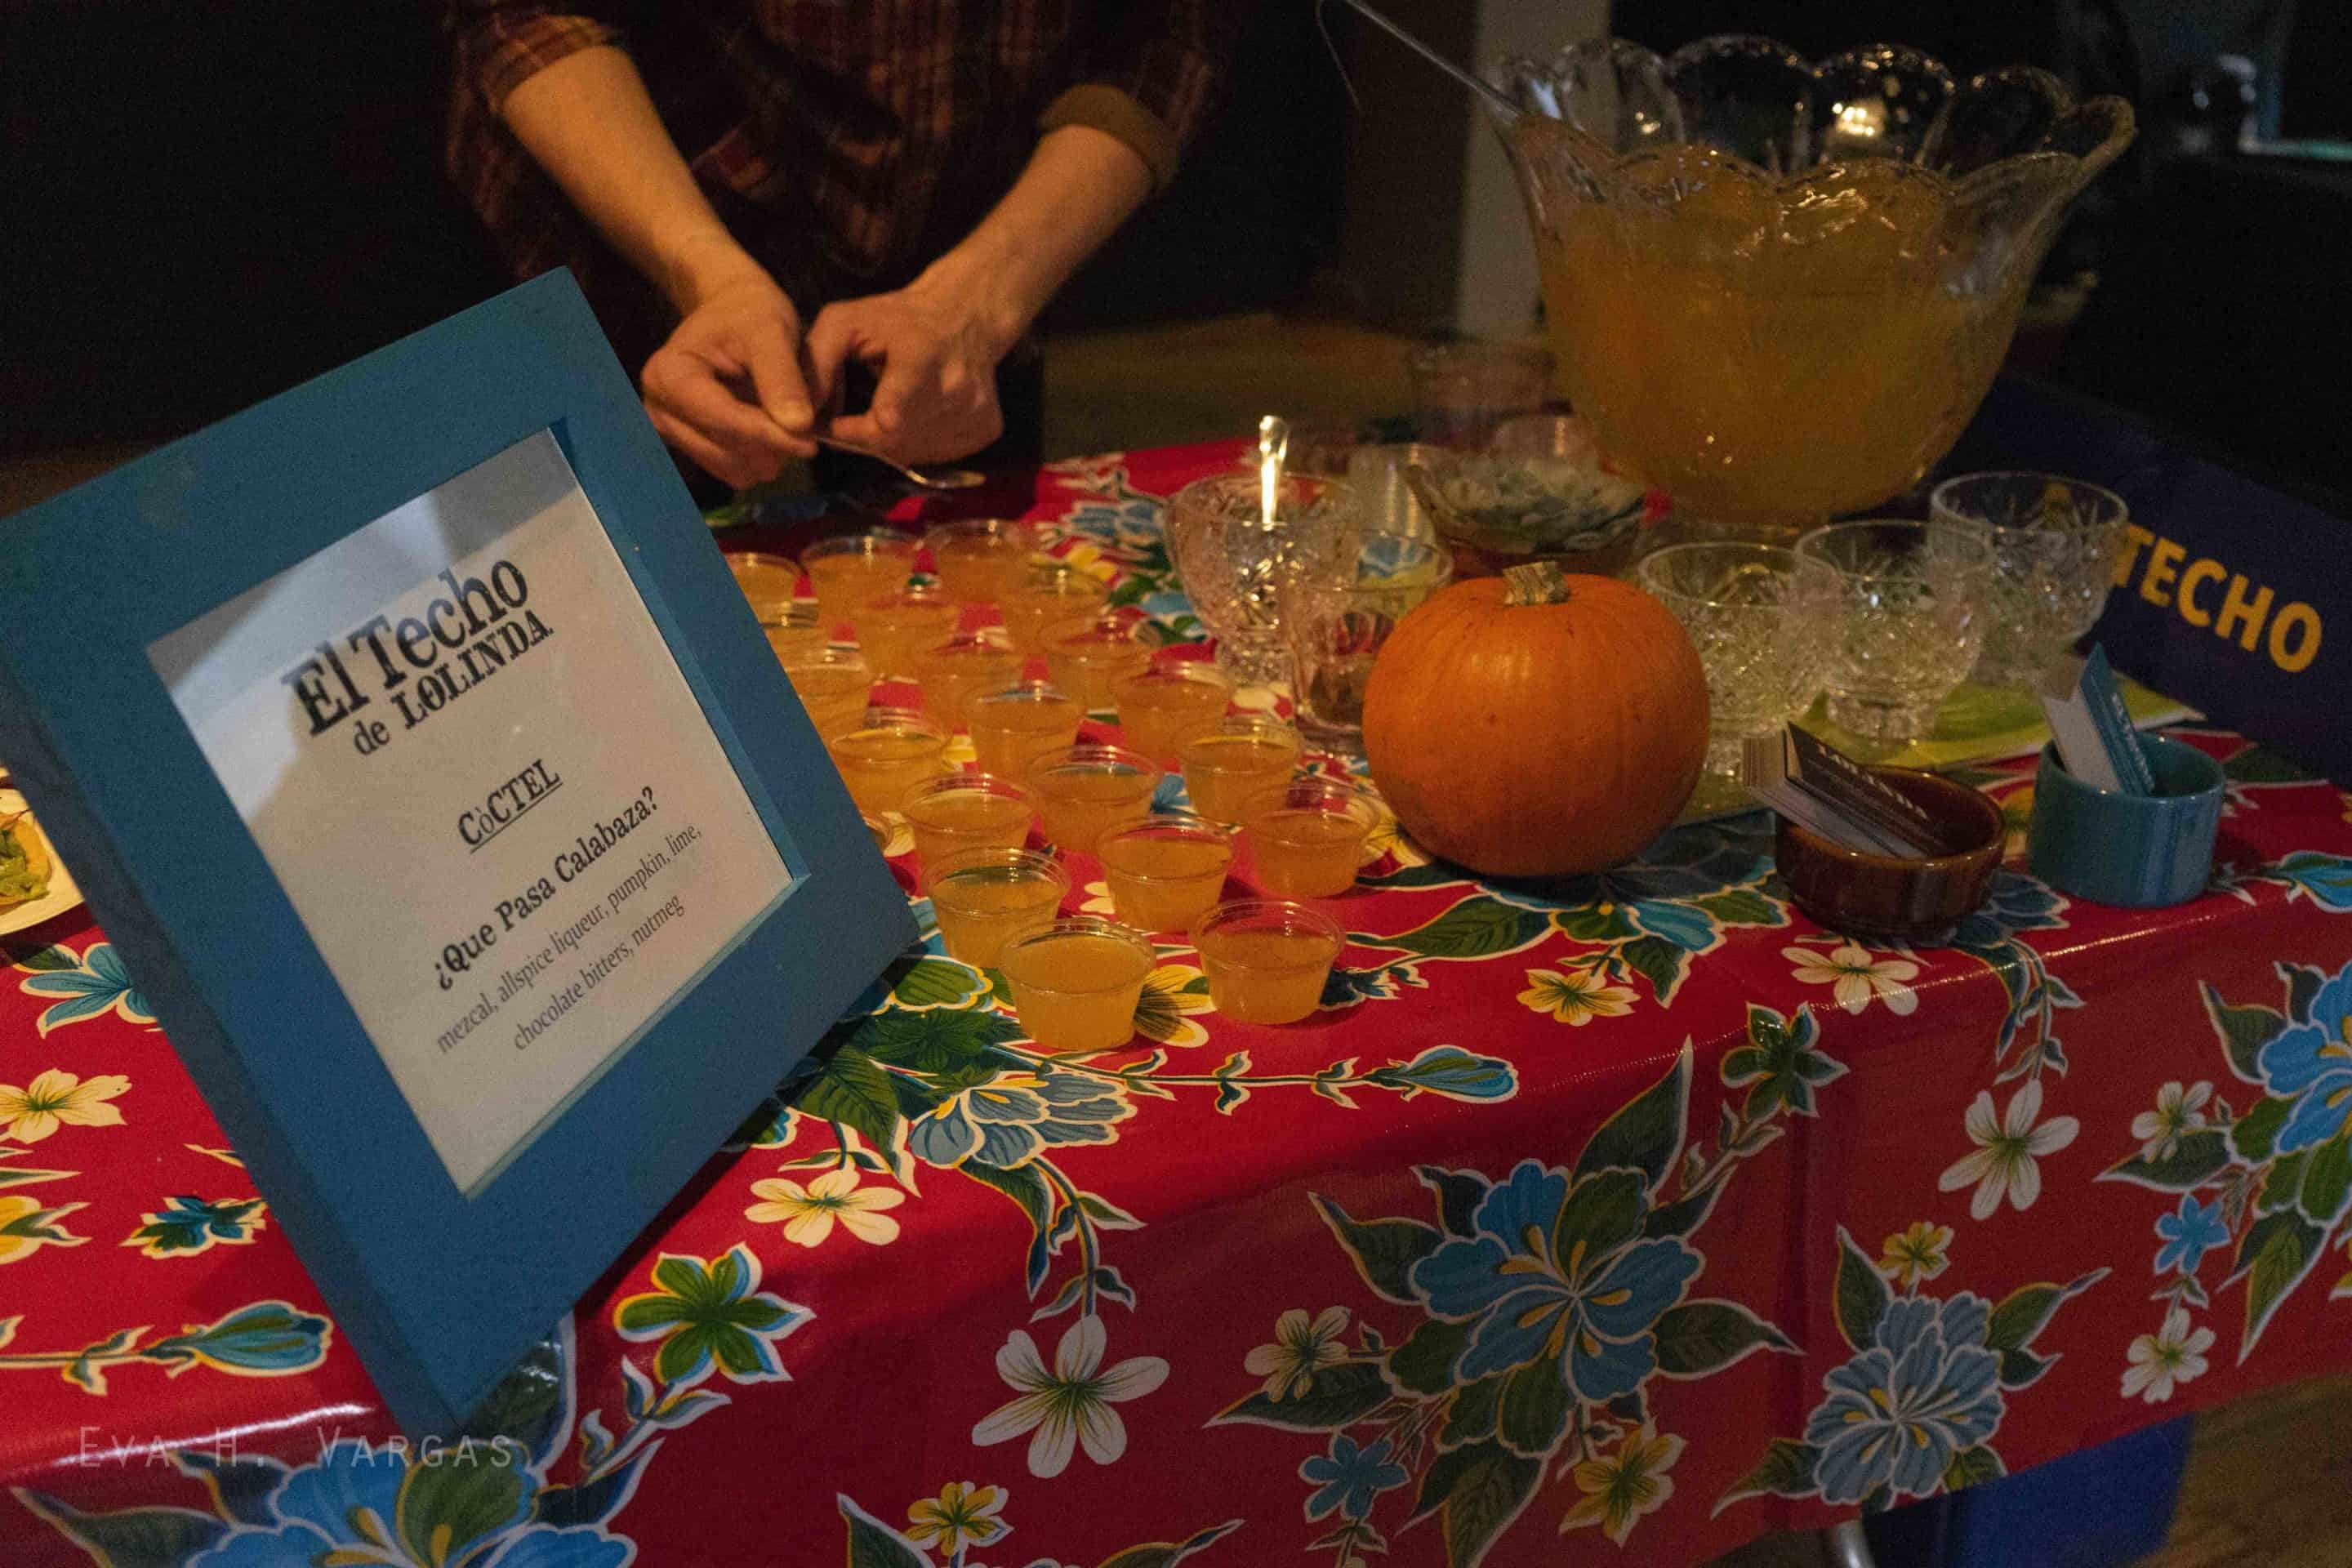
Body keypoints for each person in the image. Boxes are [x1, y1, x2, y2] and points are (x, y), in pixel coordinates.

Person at [444, 5, 1241, 492]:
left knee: (962, 629)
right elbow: (525, 13)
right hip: (626, 209)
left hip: (972, 228)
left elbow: (1169, 36)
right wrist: (707, 272)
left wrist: (979, 301)